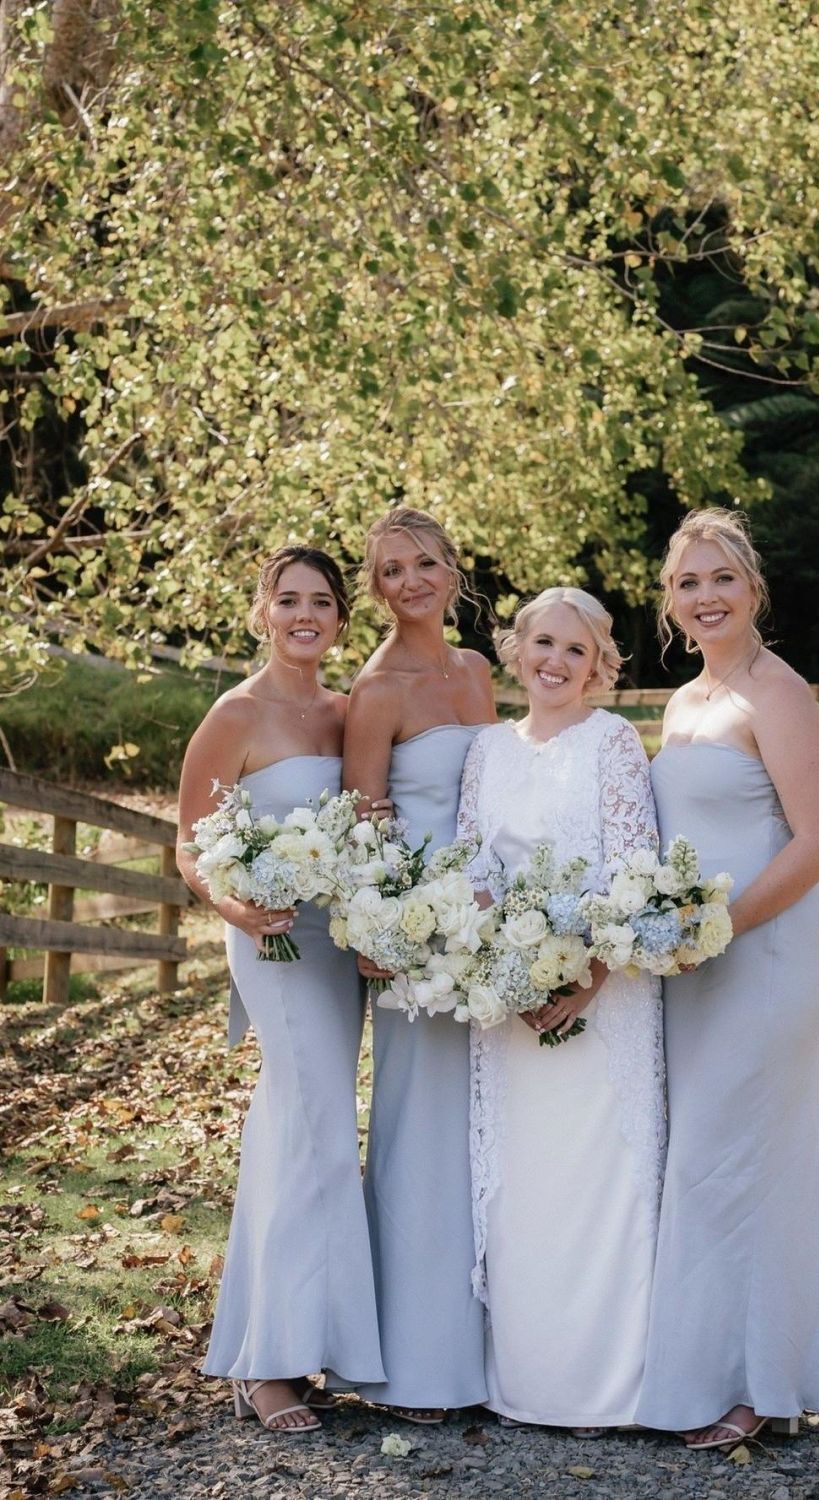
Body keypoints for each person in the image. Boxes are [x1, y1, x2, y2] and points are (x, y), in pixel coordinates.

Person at [634, 507, 819, 1450]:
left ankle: (758, 1384)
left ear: (754, 588)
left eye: (721, 578)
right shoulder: (684, 703)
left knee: (746, 1156)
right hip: (697, 962)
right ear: (670, 604)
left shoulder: (780, 693)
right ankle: (713, 1368)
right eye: (688, 583)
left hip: (763, 956)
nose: (705, 596)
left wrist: (720, 926)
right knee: (706, 1156)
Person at [176, 545, 385, 1434]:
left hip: (336, 944)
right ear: (262, 611)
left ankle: (300, 1341)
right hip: (268, 942)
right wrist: (232, 899)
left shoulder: (347, 713)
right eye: (289, 599)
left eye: (323, 602)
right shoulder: (236, 715)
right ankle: (270, 1364)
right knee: (317, 1124)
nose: (307, 614)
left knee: (301, 1122)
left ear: (341, 618)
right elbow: (188, 844)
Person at [457, 588, 666, 1435]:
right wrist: (505, 969)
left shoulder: (614, 744)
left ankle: (614, 1389)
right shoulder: (484, 749)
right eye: (543, 643)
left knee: (602, 1179)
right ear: (517, 650)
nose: (555, 661)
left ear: (599, 667)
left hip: (605, 997)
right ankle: (529, 1381)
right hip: (508, 1004)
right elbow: (472, 864)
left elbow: (635, 874)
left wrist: (581, 979)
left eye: (575, 651)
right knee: (524, 1182)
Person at [342, 507, 496, 1422]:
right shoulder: (379, 688)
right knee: (418, 1132)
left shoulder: (477, 670)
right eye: (391, 570)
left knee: (484, 1133)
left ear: (452, 567)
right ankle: (411, 1364)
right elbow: (368, 822)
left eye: (425, 563)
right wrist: (398, 928)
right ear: (376, 587)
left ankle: (490, 1355)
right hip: (414, 943)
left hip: (491, 942)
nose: (410, 581)